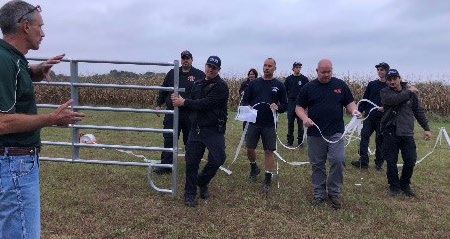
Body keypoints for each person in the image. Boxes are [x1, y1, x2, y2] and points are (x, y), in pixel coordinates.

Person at [0, 1, 85, 238]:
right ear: (25, 26)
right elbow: (1, 122)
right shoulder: (4, 60)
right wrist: (50, 119)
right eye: (40, 26)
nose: (43, 33)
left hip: (14, 162)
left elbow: (16, 79)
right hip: (13, 163)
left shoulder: (14, 58)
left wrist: (35, 71)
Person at [295, 59, 361, 209]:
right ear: (317, 71)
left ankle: (334, 192)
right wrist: (305, 118)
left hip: (336, 132)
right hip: (315, 133)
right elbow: (299, 107)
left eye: (329, 71)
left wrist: (354, 111)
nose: (326, 75)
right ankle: (319, 193)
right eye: (323, 72)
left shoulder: (340, 85)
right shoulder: (308, 87)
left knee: (338, 160)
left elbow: (349, 103)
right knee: (317, 164)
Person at [171, 56, 229, 207]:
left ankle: (202, 181)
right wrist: (178, 99)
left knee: (218, 159)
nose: (210, 69)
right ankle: (189, 194)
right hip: (196, 129)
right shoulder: (197, 84)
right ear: (205, 66)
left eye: (214, 67)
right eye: (209, 66)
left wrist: (184, 102)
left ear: (218, 70)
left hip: (214, 130)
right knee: (191, 163)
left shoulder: (221, 86)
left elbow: (206, 104)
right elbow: (190, 100)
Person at [380, 69, 431, 197]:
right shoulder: (385, 92)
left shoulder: (411, 94)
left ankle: (405, 184)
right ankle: (394, 186)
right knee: (391, 161)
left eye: (394, 78)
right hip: (390, 131)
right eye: (389, 79)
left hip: (407, 131)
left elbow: (418, 111)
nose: (392, 81)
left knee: (411, 159)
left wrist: (426, 128)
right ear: (387, 81)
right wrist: (409, 91)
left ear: (399, 78)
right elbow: (394, 100)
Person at [154, 50, 205, 174]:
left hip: (190, 113)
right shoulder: (172, 73)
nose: (185, 60)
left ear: (192, 59)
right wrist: (158, 104)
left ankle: (192, 166)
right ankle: (166, 165)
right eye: (183, 58)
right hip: (172, 112)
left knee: (191, 140)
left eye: (187, 58)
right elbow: (164, 89)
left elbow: (204, 92)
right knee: (169, 138)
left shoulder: (199, 74)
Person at [241, 58, 287, 193]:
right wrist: (247, 105)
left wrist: (277, 106)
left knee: (269, 151)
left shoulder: (279, 85)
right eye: (265, 65)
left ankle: (267, 177)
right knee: (249, 148)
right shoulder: (254, 83)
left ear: (274, 68)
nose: (267, 68)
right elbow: (245, 100)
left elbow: (284, 105)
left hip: (269, 124)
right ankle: (254, 167)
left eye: (270, 66)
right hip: (254, 122)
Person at [351, 62, 389, 170]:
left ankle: (379, 163)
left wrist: (385, 108)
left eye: (382, 69)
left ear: (386, 71)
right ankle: (363, 161)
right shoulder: (372, 84)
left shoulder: (389, 86)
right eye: (378, 69)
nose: (379, 71)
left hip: (382, 118)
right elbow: (365, 98)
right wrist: (359, 111)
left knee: (380, 140)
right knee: (364, 136)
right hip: (369, 116)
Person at [284, 62, 309, 146]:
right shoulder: (288, 79)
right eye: (296, 67)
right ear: (293, 69)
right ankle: (290, 141)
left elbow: (307, 91)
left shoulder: (304, 79)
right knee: (290, 123)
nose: (298, 69)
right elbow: (284, 91)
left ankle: (300, 141)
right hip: (291, 103)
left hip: (300, 103)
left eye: (299, 67)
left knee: (300, 123)